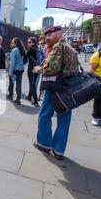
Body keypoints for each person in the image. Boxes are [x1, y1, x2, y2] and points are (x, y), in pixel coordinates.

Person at [33, 26, 80, 160]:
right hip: (68, 88)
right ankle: (59, 150)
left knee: (45, 115)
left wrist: (39, 68)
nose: (46, 38)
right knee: (64, 119)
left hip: (55, 87)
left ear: (58, 34)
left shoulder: (58, 47)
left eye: (49, 35)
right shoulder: (70, 48)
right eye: (46, 36)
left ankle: (43, 143)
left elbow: (51, 68)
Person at [7, 38, 26, 104]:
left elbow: (12, 62)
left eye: (12, 42)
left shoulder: (14, 51)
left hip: (14, 70)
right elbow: (26, 60)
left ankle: (10, 96)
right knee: (19, 84)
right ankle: (18, 99)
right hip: (21, 69)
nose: (11, 44)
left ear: (15, 43)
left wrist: (10, 72)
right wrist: (21, 64)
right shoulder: (22, 50)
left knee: (11, 83)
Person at [25, 37, 40, 106]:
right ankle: (29, 96)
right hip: (37, 69)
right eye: (28, 42)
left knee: (32, 85)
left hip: (31, 69)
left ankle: (36, 101)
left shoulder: (31, 50)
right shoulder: (37, 49)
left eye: (30, 42)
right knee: (32, 83)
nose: (28, 43)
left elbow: (24, 58)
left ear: (33, 43)